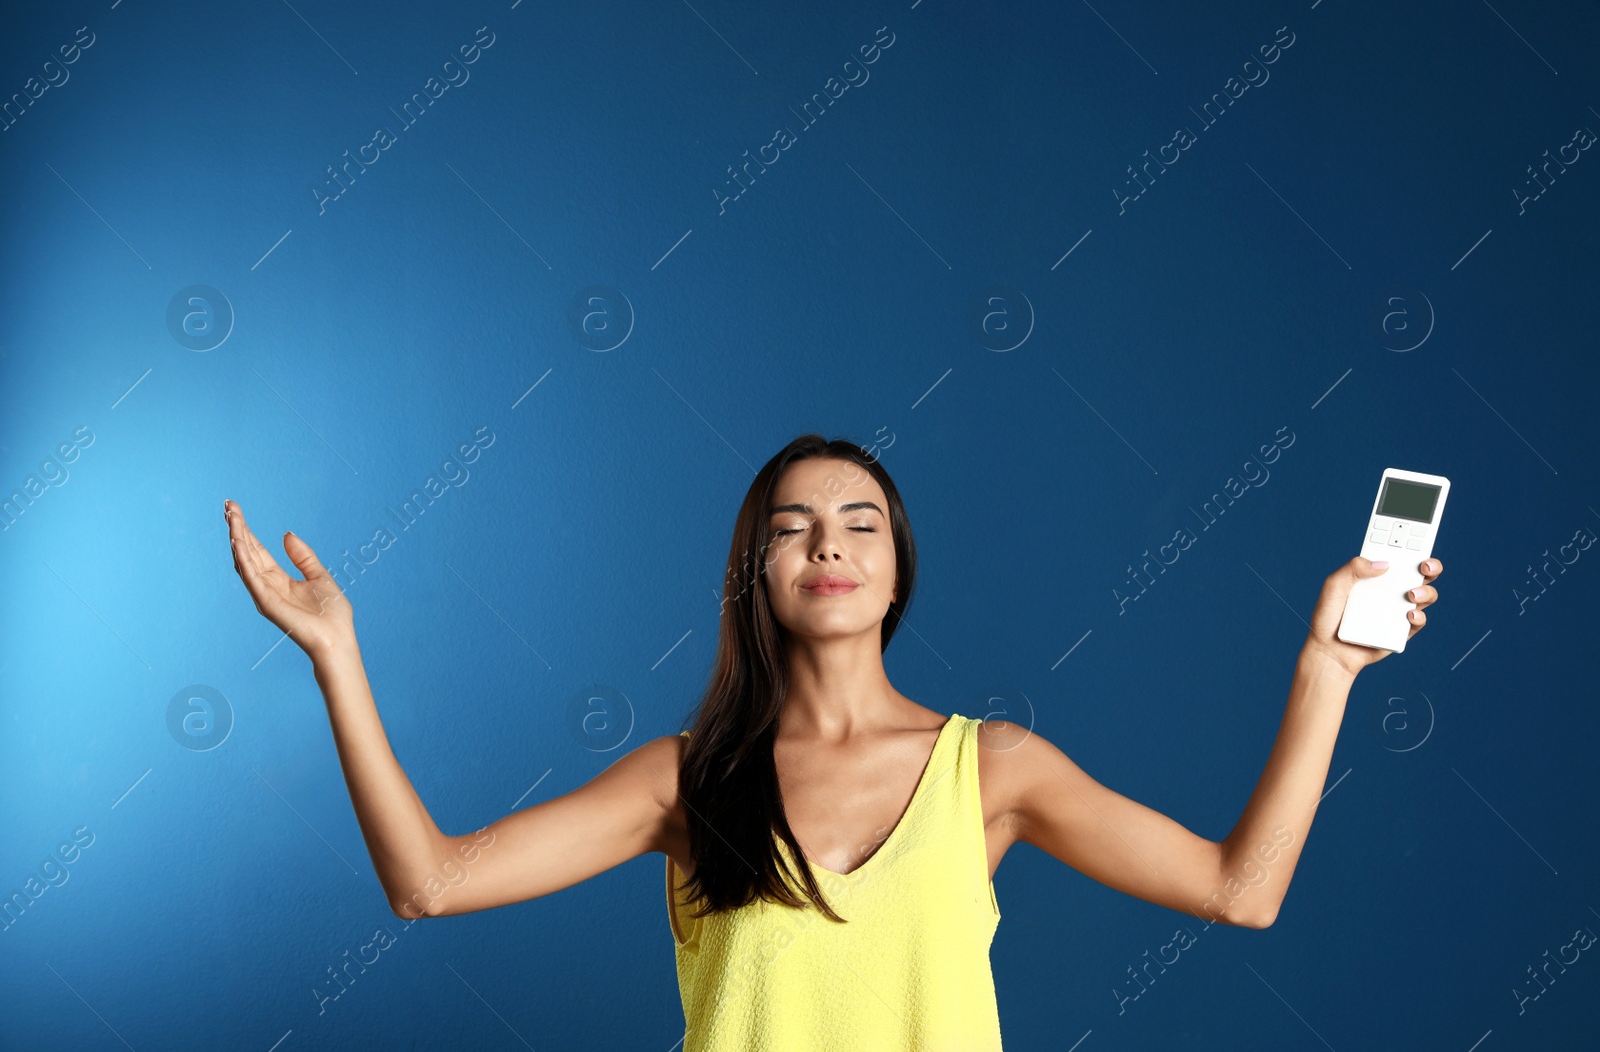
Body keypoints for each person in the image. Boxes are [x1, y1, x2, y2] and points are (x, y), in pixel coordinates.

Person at [225, 432, 1443, 1050]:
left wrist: (1325, 670)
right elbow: (428, 882)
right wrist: (338, 654)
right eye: (794, 526)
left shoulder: (997, 768)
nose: (828, 543)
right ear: (755, 572)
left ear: (896, 566)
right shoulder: (684, 778)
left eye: (859, 521)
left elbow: (1243, 890)